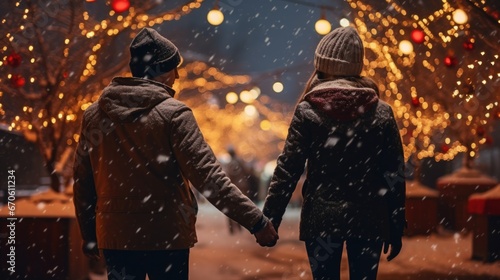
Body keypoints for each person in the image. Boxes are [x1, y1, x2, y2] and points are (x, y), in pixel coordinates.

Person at [73, 27, 278, 280]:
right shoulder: (174, 115)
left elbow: (83, 181)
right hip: (166, 236)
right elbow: (208, 177)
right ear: (159, 70)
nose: (178, 76)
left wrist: (89, 233)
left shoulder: (94, 116)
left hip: (116, 236)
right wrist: (256, 222)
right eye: (173, 68)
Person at [262, 26, 406, 280]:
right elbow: (394, 173)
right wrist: (395, 224)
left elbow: (289, 168)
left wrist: (271, 218)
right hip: (369, 218)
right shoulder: (382, 112)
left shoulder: (308, 111)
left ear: (323, 67)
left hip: (322, 218)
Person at [222, 146, 252, 234]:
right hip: (243, 186)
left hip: (234, 187)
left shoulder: (230, 163)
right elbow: (248, 171)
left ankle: (232, 227)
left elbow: (228, 176)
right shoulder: (240, 161)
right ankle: (240, 225)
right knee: (242, 206)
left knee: (231, 207)